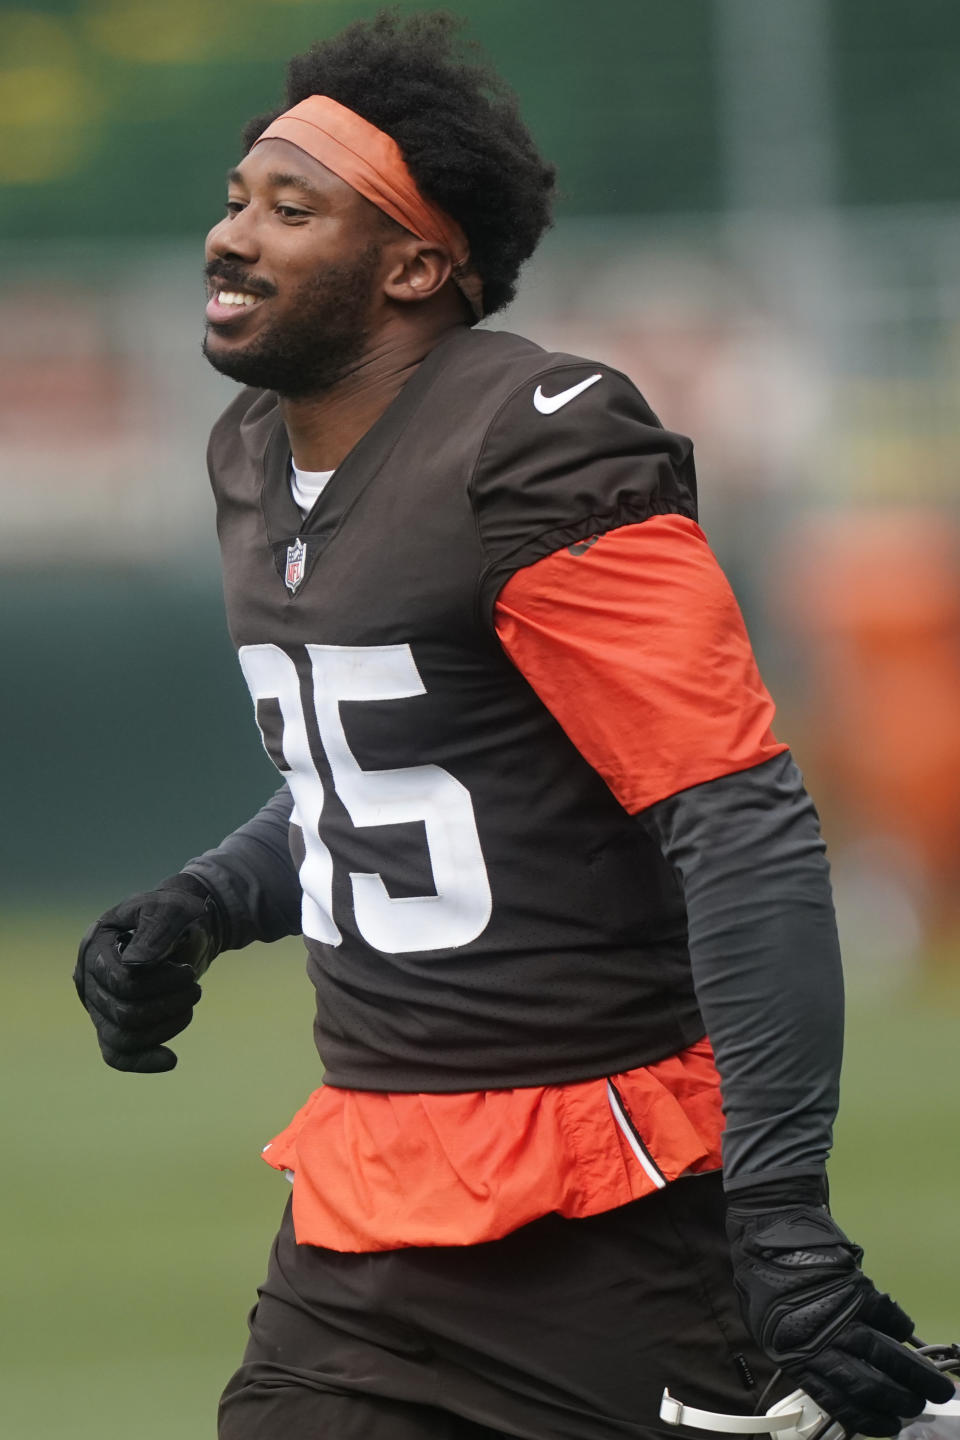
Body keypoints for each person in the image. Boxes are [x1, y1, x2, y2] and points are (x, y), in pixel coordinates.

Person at [73, 11, 953, 1440]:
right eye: (237, 200)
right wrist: (206, 901)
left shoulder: (536, 442)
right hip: (365, 1215)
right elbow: (409, 768)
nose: (233, 237)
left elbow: (736, 813)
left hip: (609, 1212)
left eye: (294, 211)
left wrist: (783, 1213)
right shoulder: (251, 450)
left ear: (417, 267)